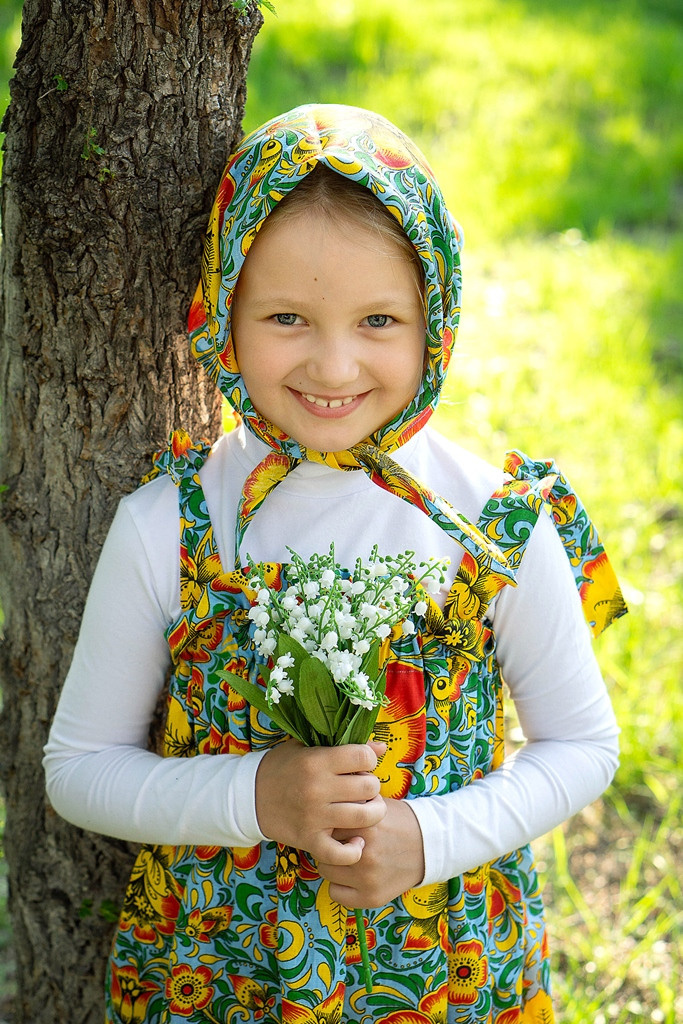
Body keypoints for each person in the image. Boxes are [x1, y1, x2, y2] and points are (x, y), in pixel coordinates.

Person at [44, 103, 626, 1023]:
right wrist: (255, 796)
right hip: (224, 977)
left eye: (378, 320)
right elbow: (79, 768)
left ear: (435, 320)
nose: (333, 362)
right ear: (221, 311)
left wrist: (428, 840)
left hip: (446, 973)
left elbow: (582, 746)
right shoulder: (174, 524)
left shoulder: (491, 523)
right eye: (285, 316)